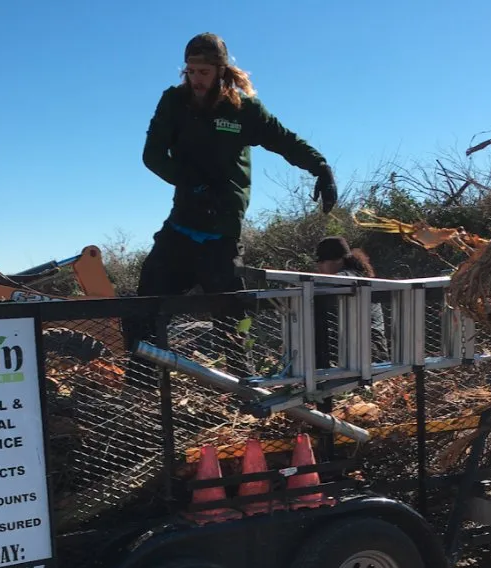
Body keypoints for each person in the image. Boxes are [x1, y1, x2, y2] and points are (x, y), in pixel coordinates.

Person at [125, 32, 338, 365]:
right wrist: (193, 184)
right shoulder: (173, 102)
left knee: (231, 318)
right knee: (144, 305)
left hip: (221, 230)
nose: (196, 79)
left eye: (204, 72)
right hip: (182, 225)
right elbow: (152, 155)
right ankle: (142, 385)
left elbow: (285, 140)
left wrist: (320, 167)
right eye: (191, 72)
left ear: (221, 70)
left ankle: (243, 387)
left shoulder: (243, 110)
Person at [314, 236, 388, 367]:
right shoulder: (361, 275)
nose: (319, 268)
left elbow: (318, 286)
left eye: (322, 262)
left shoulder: (346, 277)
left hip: (364, 351)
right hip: (375, 351)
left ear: (338, 260)